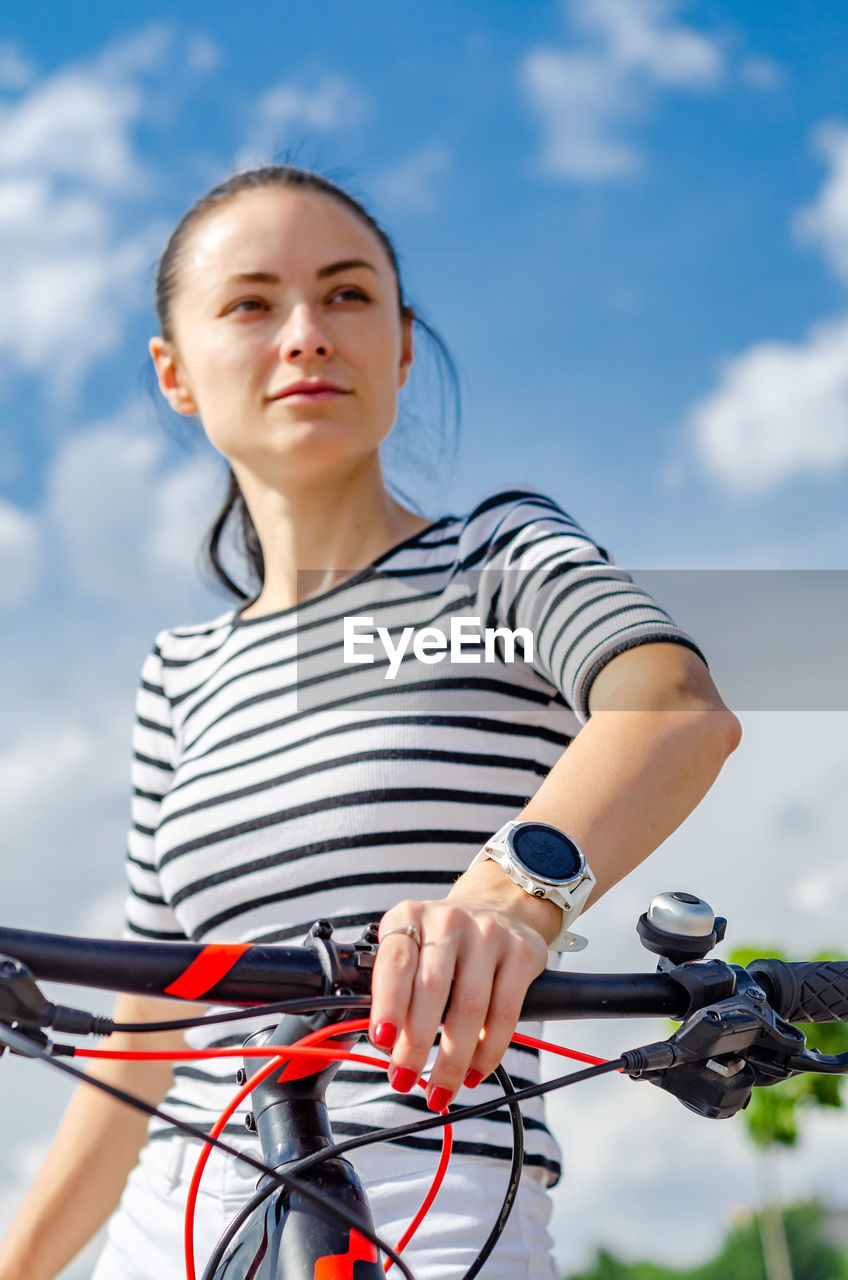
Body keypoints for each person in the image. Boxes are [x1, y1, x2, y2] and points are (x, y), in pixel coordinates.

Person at [0, 165, 741, 1280]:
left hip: (431, 1181)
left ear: (399, 349)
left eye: (347, 295)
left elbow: (672, 708)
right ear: (175, 373)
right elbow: (143, 1036)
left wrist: (509, 897)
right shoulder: (179, 673)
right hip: (174, 1206)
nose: (305, 332)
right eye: (250, 303)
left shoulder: (497, 556)